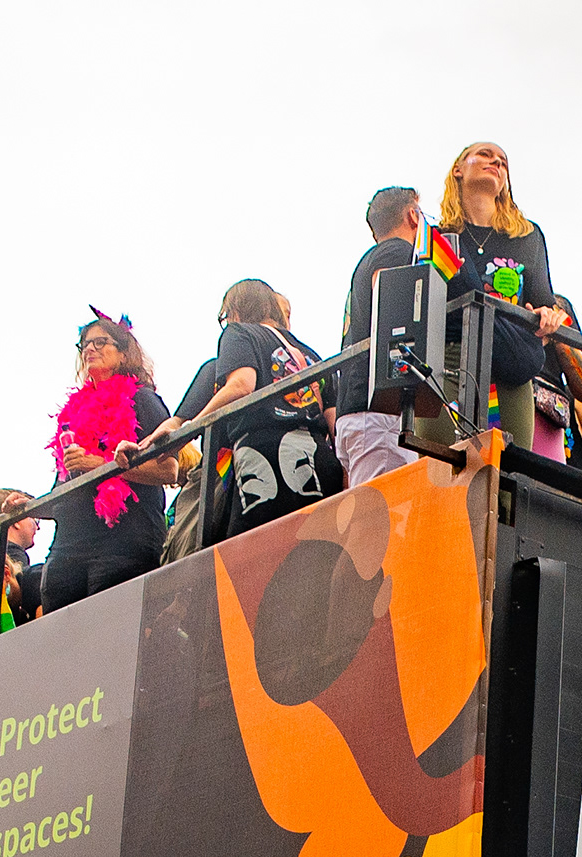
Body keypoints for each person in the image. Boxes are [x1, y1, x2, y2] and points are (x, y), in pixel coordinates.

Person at [436, 142, 582, 464]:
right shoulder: (438, 236)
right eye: (485, 155)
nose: (495, 162)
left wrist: (547, 316)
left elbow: (542, 300)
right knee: (440, 464)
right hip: (451, 356)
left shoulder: (526, 236)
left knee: (513, 471)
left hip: (512, 361)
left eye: (503, 162)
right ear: (458, 169)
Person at [34, 313, 179, 615]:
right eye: (85, 344)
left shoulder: (142, 400)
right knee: (61, 646)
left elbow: (170, 471)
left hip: (123, 545)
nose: (90, 349)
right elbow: (62, 493)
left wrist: (96, 464)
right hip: (68, 549)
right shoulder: (72, 415)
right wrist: (26, 506)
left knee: (111, 639)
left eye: (101, 342)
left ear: (124, 353)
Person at [183, 281, 340, 542]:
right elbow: (334, 422)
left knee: (257, 561)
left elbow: (242, 385)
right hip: (318, 463)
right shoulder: (311, 354)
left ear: (235, 311)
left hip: (265, 463)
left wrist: (194, 426)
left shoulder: (239, 334)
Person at [339, 183, 428, 486]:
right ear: (413, 215)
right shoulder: (400, 251)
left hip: (357, 410)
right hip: (378, 411)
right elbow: (388, 296)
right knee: (381, 522)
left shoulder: (367, 259)